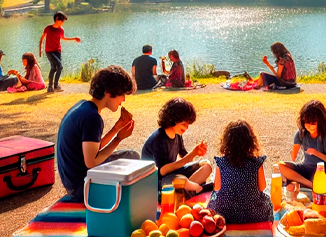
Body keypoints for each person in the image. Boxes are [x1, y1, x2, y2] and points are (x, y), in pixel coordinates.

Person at [56, 65, 140, 202]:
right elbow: (91, 162)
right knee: (132, 156)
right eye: (122, 94)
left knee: (129, 156)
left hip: (72, 182)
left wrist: (116, 128)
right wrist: (118, 139)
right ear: (108, 92)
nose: (123, 100)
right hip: (83, 188)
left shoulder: (83, 107)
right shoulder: (92, 117)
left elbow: (93, 149)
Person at [140, 97, 213, 196]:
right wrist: (192, 155)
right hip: (157, 182)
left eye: (188, 124)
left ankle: (190, 190)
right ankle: (192, 189)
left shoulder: (177, 135)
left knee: (206, 165)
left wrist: (197, 153)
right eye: (183, 124)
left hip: (173, 176)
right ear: (172, 120)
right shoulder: (158, 138)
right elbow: (162, 171)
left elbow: (183, 156)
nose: (186, 127)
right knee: (180, 180)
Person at [206, 120, 274, 224]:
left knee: (212, 200)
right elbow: (262, 187)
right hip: (254, 214)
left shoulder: (222, 162)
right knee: (268, 201)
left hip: (225, 214)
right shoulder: (256, 163)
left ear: (226, 142)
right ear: (251, 141)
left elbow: (217, 187)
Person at [278, 100, 326, 189]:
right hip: (305, 167)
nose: (309, 126)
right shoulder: (301, 133)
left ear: (320, 122)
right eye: (307, 123)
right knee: (281, 166)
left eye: (313, 123)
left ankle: (301, 183)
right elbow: (294, 155)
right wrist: (294, 156)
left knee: (320, 180)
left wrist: (316, 153)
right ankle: (309, 184)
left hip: (322, 169)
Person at [39, 11, 81, 93]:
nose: (63, 23)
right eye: (62, 21)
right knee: (60, 67)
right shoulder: (48, 28)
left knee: (54, 68)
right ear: (57, 19)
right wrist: (40, 49)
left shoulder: (61, 30)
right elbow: (42, 38)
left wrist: (74, 38)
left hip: (58, 51)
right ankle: (55, 86)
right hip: (49, 51)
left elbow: (63, 38)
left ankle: (51, 87)